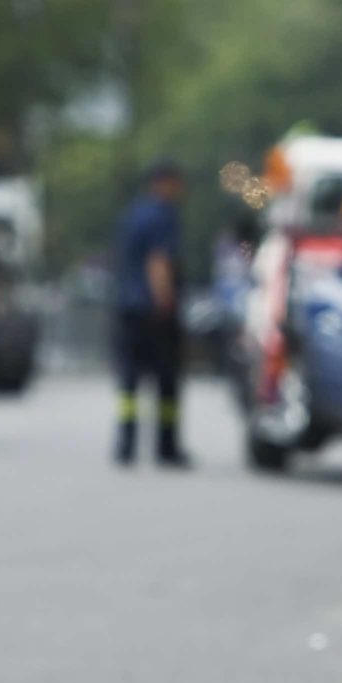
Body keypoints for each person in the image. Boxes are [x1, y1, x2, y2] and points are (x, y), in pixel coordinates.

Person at [112, 158, 191, 468]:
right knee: (166, 380)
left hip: (128, 308)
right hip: (153, 312)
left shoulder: (132, 215)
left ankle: (126, 445)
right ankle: (166, 447)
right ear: (165, 183)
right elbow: (158, 261)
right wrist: (166, 301)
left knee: (129, 381)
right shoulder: (164, 215)